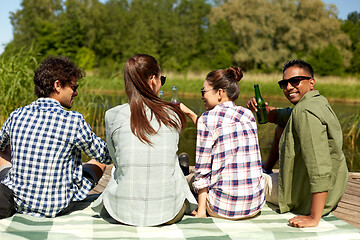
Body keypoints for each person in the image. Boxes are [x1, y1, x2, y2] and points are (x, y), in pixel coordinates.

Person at [91, 54, 197, 227]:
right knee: (174, 165)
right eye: (161, 78)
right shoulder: (173, 115)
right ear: (153, 80)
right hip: (168, 213)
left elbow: (116, 160)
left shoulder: (112, 115)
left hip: (122, 213)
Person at [0, 56, 111, 219]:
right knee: (99, 162)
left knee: (4, 152)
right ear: (57, 85)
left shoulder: (17, 115)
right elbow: (106, 155)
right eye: (74, 87)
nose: (76, 92)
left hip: (20, 202)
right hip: (58, 206)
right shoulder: (73, 120)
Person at [247, 59, 348, 228]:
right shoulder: (317, 102)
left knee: (236, 179)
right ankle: (266, 167)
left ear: (311, 82)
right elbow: (278, 115)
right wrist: (259, 108)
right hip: (332, 191)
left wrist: (313, 217)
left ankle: (190, 179)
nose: (288, 87)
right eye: (284, 83)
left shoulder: (305, 112)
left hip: (306, 197)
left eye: (294, 81)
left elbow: (319, 165)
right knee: (282, 126)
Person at [180, 67, 265, 220]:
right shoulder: (248, 115)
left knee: (188, 180)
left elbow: (203, 172)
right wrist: (191, 114)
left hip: (223, 207)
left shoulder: (207, 119)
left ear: (219, 93)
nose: (201, 96)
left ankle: (183, 172)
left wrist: (201, 212)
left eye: (203, 92)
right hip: (254, 206)